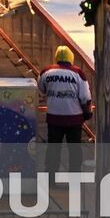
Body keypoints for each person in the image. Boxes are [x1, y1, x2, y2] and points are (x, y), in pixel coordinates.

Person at [38, 45, 92, 174]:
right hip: (74, 119)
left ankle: (50, 179)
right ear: (71, 58)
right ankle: (74, 178)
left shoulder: (46, 72)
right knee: (74, 151)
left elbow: (41, 89)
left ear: (57, 57)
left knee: (53, 149)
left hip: (53, 118)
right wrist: (87, 113)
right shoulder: (78, 73)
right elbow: (85, 97)